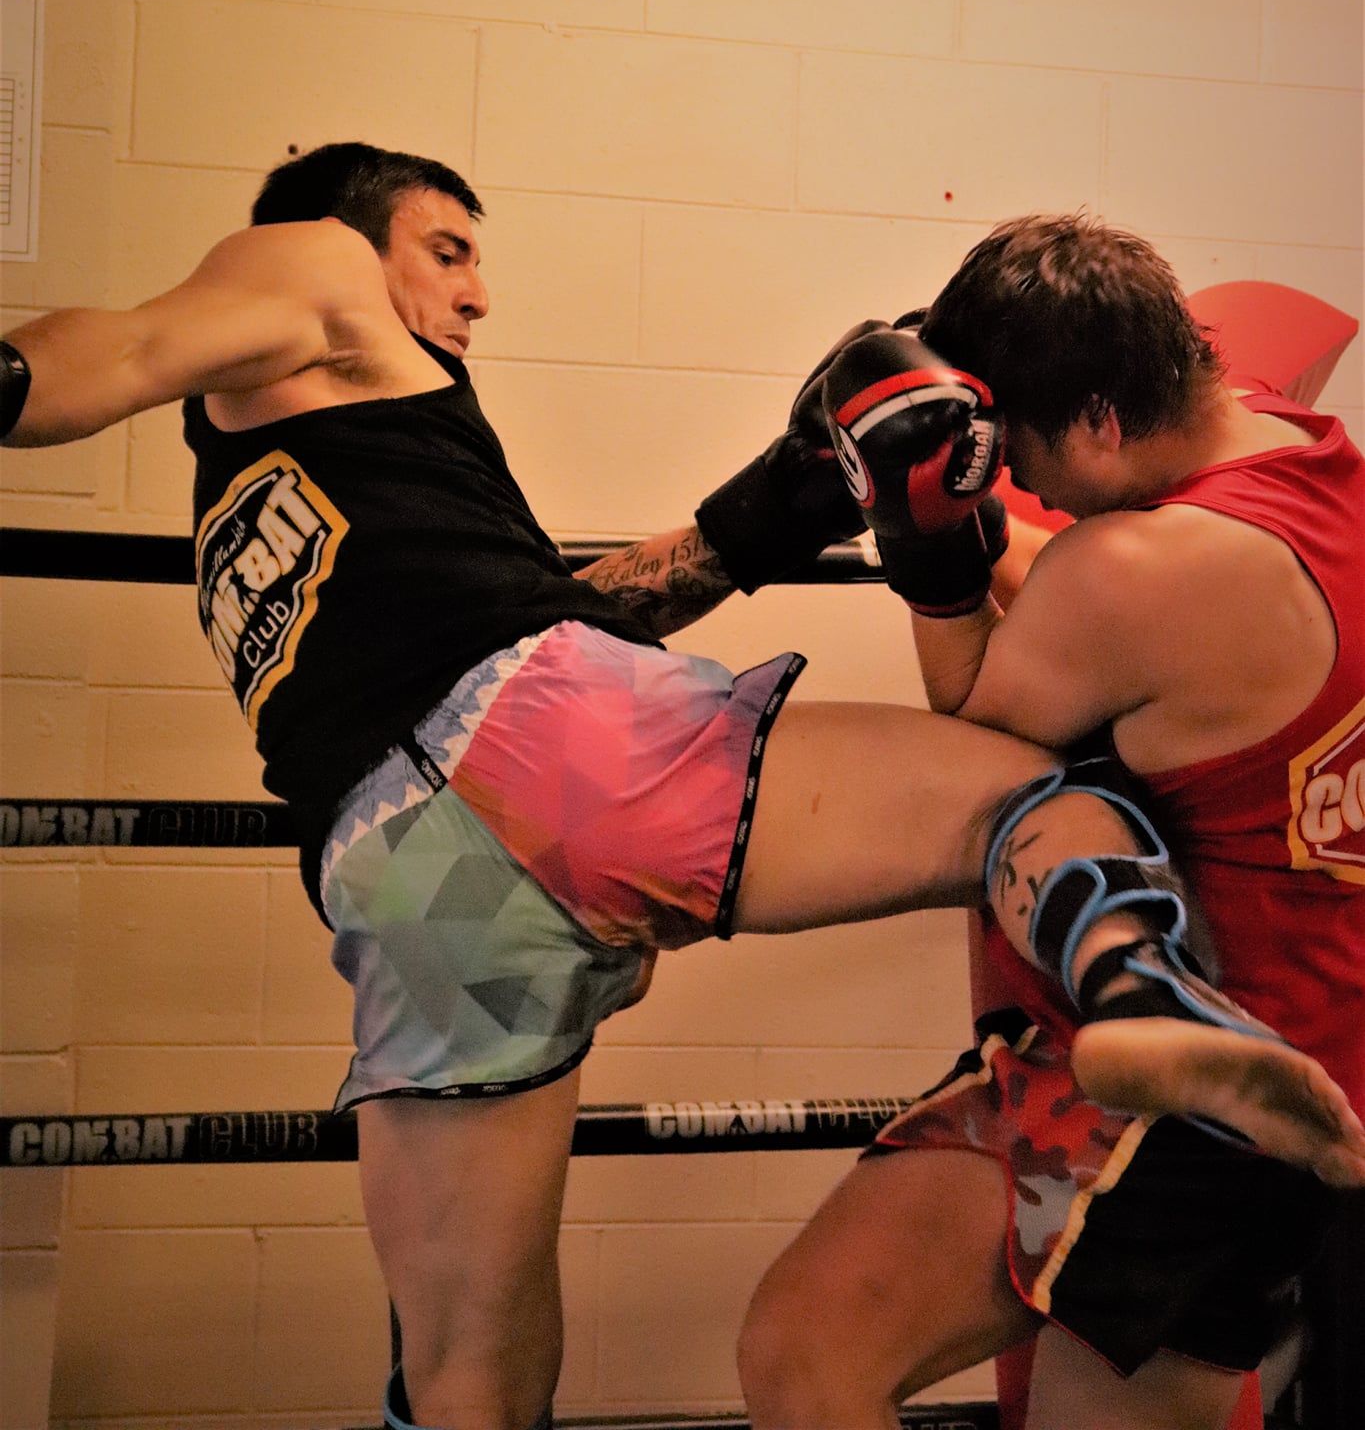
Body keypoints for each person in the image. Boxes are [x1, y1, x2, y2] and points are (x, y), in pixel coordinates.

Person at [3, 153, 1360, 1430]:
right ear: (345, 231)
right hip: (541, 747)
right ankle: (1146, 989)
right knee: (1011, 796)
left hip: (409, 874)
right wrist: (927, 540)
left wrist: (803, 501)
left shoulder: (280, 483)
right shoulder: (310, 262)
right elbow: (103, 350)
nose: (473, 290)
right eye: (447, 247)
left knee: (462, 1350)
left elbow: (599, 606)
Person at [739, 213, 1365, 1430]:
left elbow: (972, 733)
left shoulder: (1135, 572)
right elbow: (1113, 602)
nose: (1010, 478)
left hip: (1206, 1112)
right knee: (803, 1344)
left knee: (812, 1355)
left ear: (1097, 421)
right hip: (1264, 1049)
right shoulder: (1297, 447)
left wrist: (928, 541)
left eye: (1018, 448)